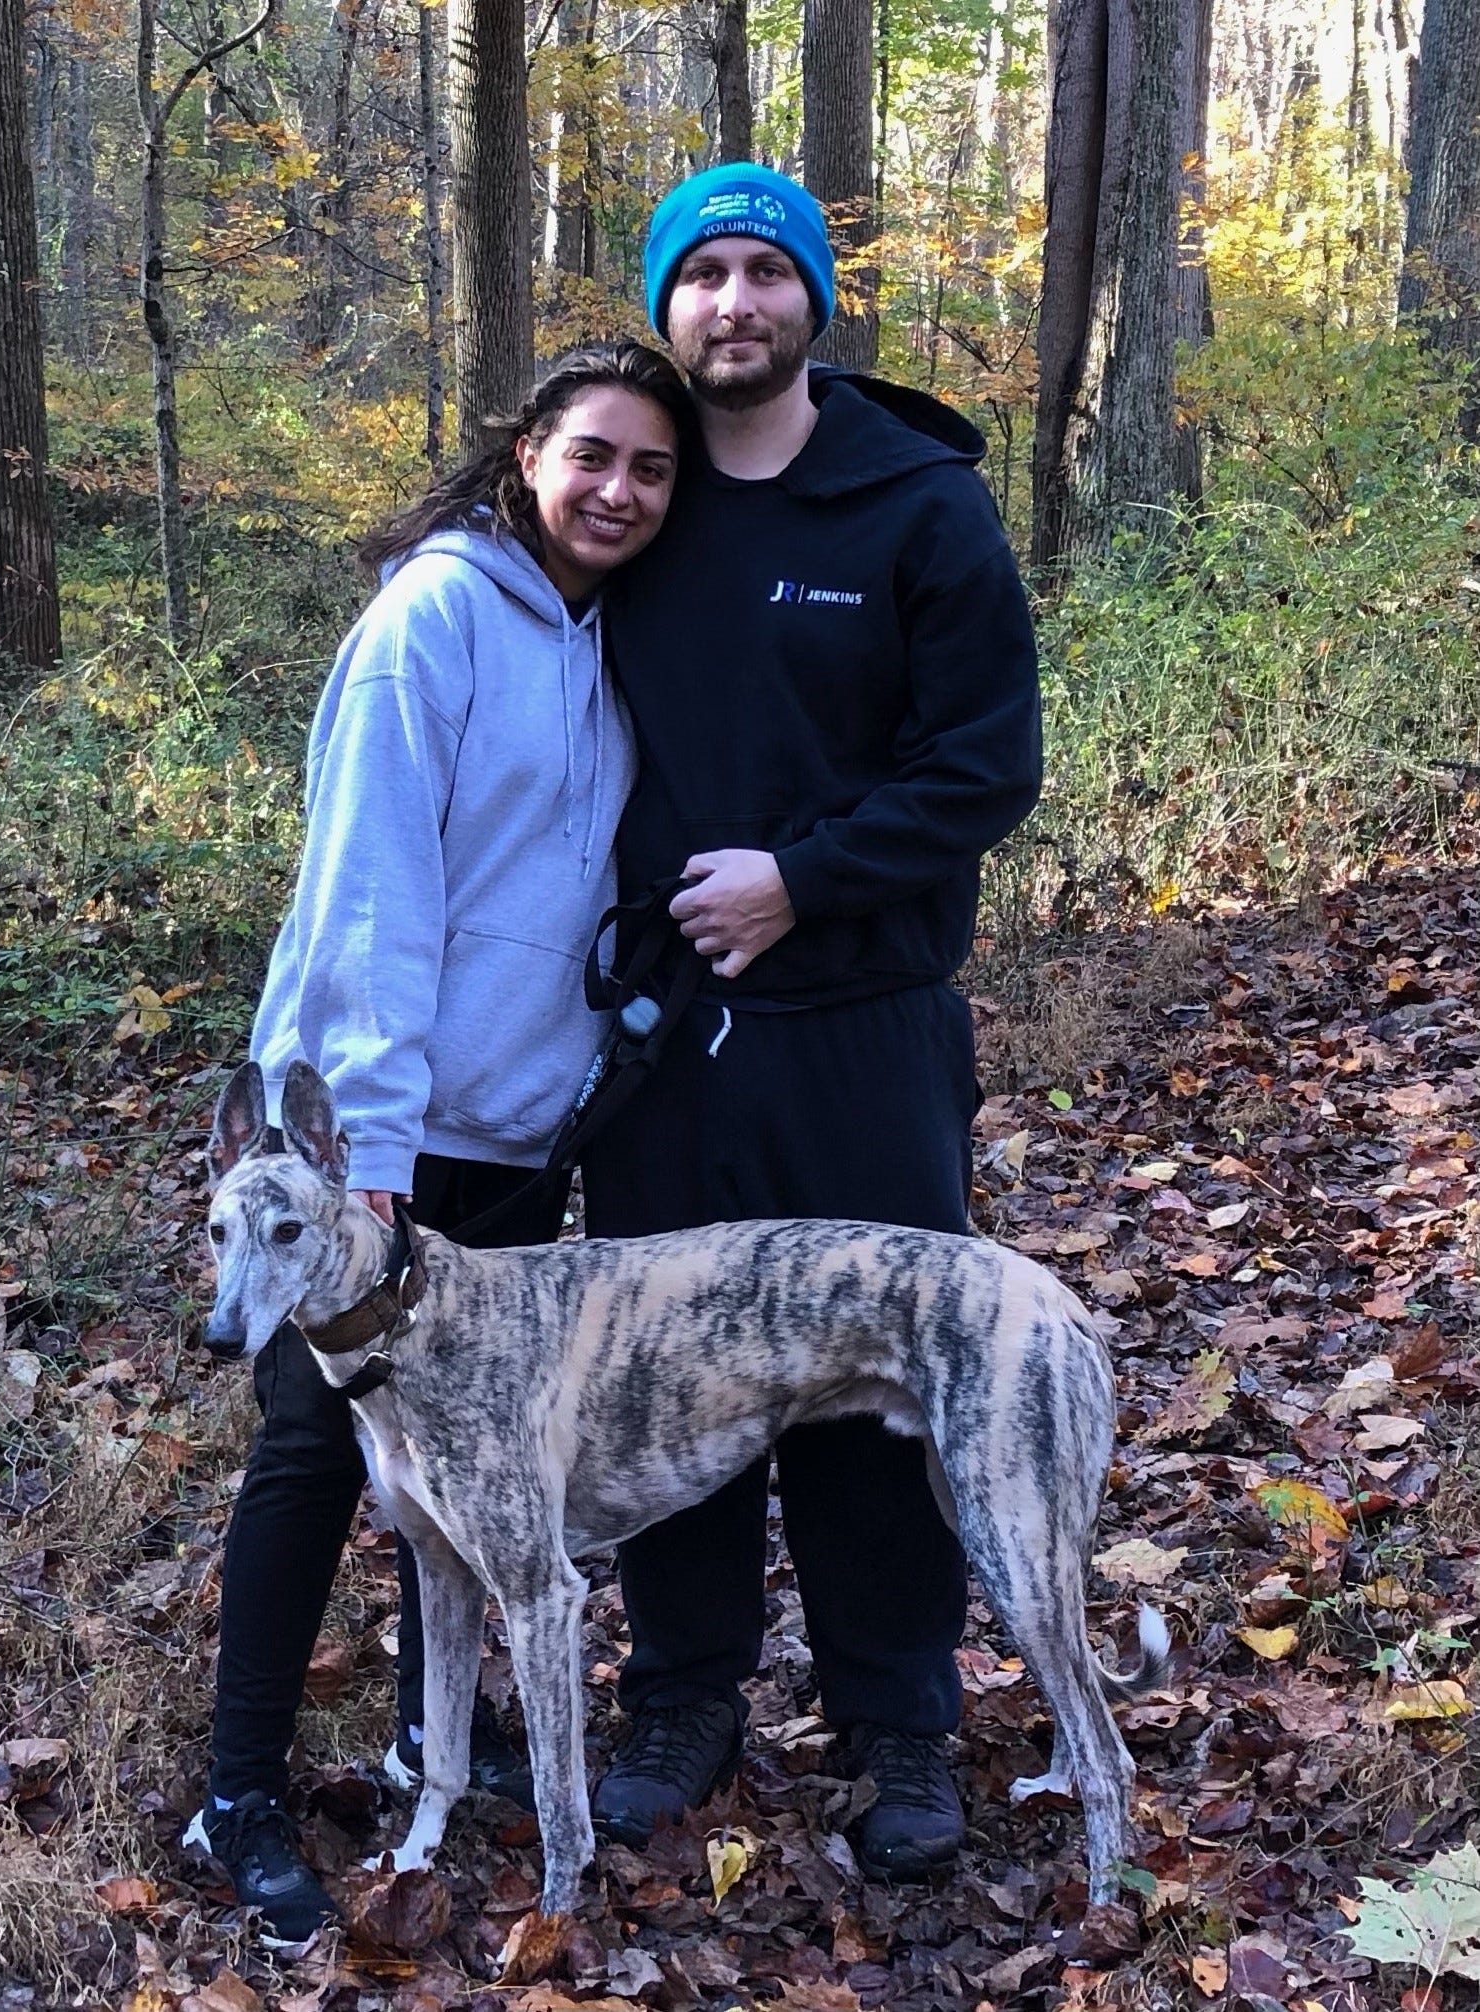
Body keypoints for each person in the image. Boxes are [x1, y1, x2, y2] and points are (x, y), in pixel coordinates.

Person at [184, 343, 691, 1945]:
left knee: (457, 1471)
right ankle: (238, 1795)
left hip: (513, 1134)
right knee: (317, 1453)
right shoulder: (436, 619)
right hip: (375, 1151)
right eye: (592, 455)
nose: (618, 490)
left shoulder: (597, 635)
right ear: (526, 453)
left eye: (652, 470)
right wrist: (370, 1161)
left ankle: (433, 1742)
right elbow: (373, 903)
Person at [580, 164, 1043, 1881]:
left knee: (869, 1379)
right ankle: (684, 1697)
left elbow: (987, 766)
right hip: (656, 1039)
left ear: (815, 300)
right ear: (666, 306)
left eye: (766, 269)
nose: (733, 301)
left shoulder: (917, 506)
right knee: (667, 1380)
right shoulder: (636, 499)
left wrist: (805, 878)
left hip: (863, 1020)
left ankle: (898, 1721)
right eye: (699, 273)